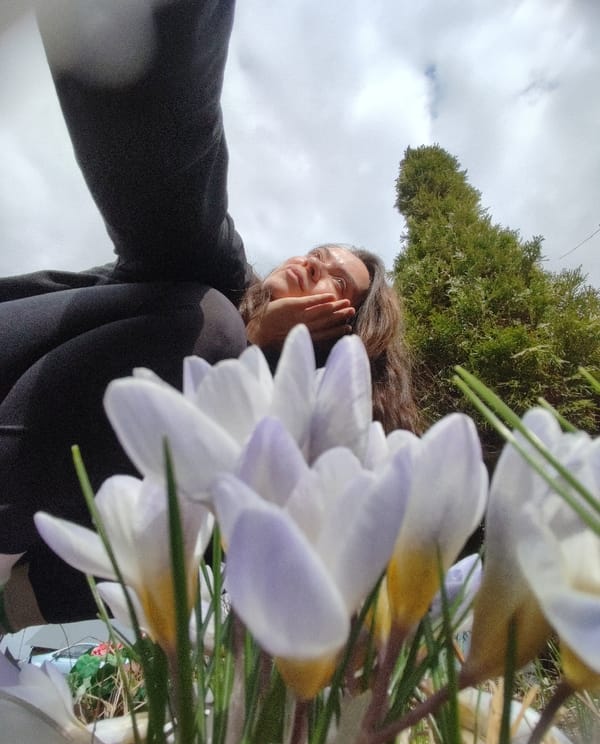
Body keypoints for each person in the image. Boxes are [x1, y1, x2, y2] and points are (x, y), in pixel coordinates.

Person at [0, 1, 417, 633]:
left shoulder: (315, 454)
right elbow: (172, 176)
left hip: (52, 596)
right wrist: (252, 343)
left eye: (339, 284)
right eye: (318, 255)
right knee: (215, 328)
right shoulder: (213, 285)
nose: (316, 268)